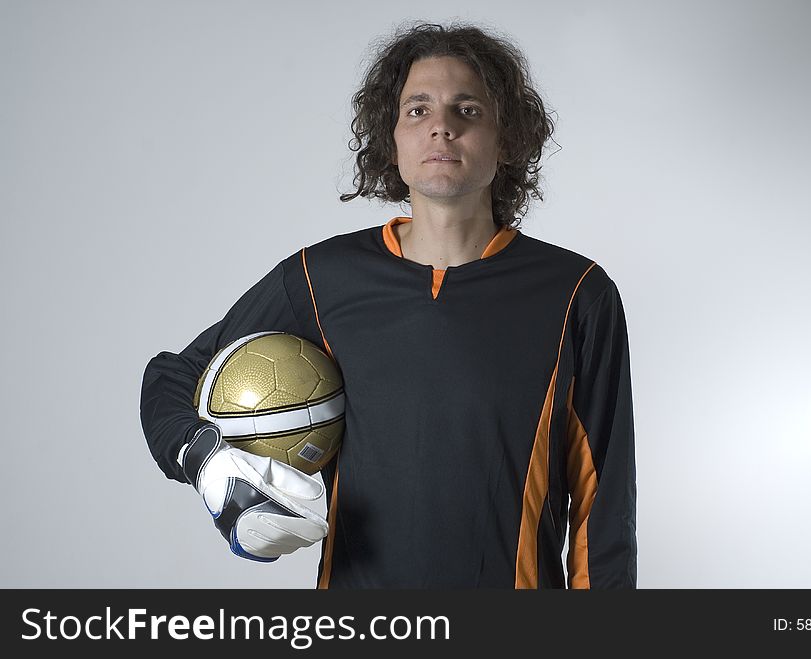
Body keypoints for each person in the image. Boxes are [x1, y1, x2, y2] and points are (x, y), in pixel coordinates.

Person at [140, 21, 637, 589]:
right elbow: (172, 378)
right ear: (392, 138)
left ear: (506, 140)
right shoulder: (321, 280)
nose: (442, 129)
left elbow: (605, 504)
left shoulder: (576, 291)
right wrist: (208, 462)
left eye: (467, 111)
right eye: (417, 111)